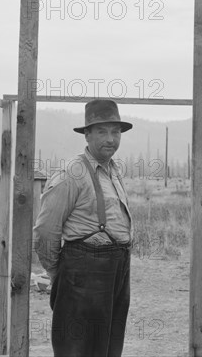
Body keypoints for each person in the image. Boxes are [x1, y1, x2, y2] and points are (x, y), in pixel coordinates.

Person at [33, 98, 133, 357]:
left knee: (108, 346)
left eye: (115, 132)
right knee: (77, 348)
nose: (110, 139)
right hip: (83, 271)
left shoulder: (113, 170)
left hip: (117, 269)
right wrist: (60, 274)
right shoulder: (72, 173)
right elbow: (45, 230)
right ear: (87, 135)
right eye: (102, 131)